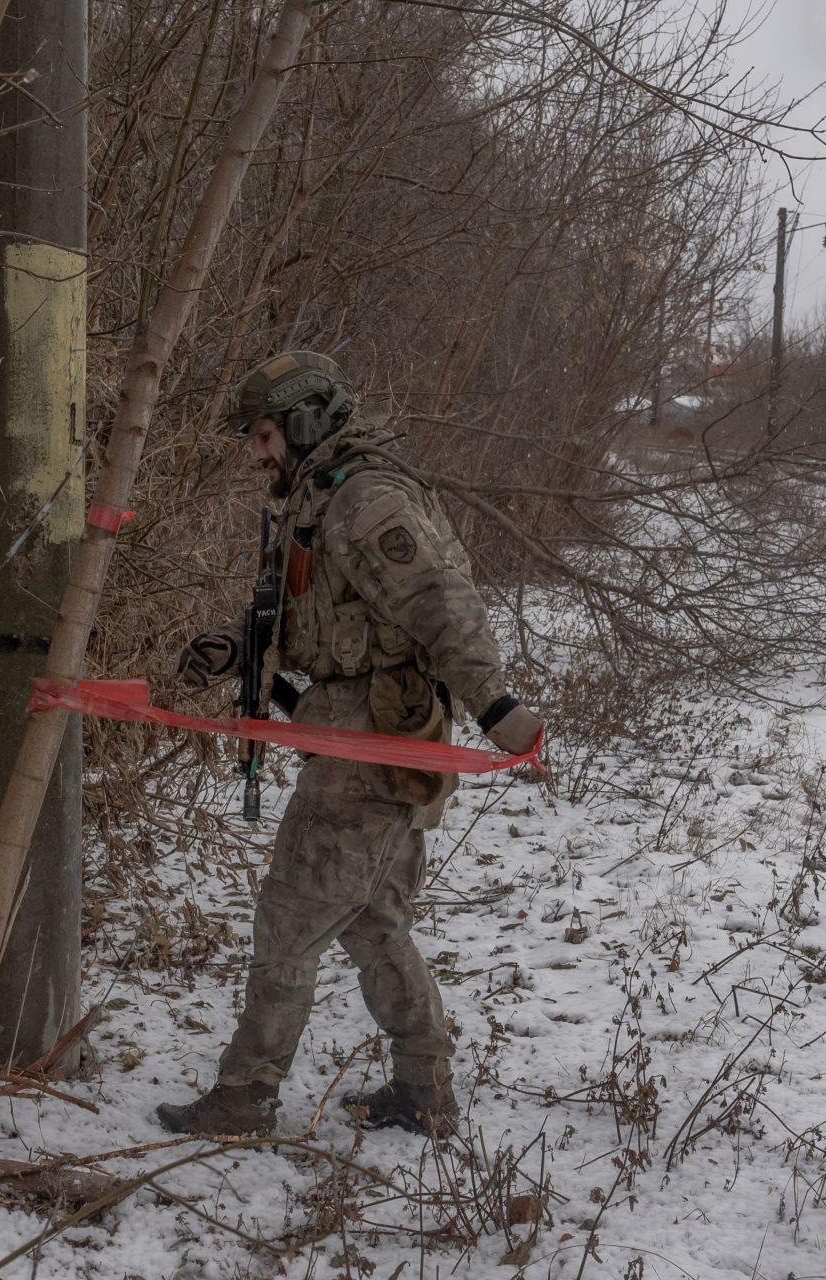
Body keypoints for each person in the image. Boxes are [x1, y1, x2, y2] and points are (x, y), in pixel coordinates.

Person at [156, 351, 544, 1138]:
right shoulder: (316, 498)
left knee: (290, 917)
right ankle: (423, 1088)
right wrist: (237, 650)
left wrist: (494, 705)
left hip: (373, 737)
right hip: (351, 724)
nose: (255, 452)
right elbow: (307, 614)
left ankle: (244, 1096)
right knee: (372, 921)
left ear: (302, 424)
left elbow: (443, 604)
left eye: (263, 435)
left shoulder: (363, 499)